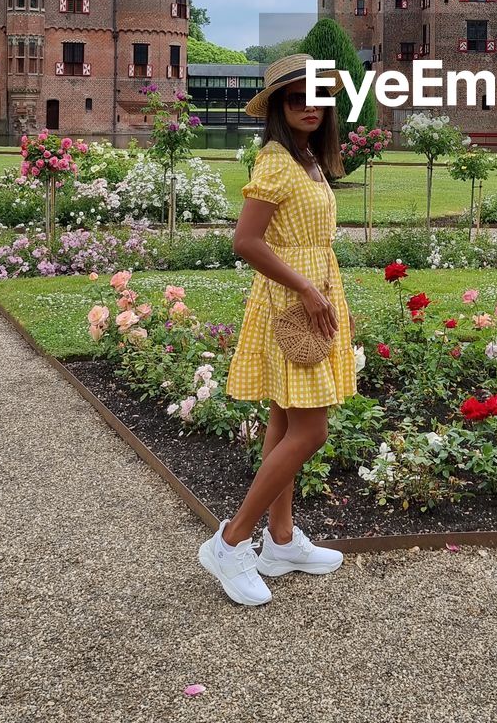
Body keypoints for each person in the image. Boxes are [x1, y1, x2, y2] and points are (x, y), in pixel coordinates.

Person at [197, 54, 358, 606]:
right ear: (277, 108)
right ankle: (230, 540)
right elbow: (246, 241)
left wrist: (329, 294)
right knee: (311, 433)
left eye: (318, 97)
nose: (310, 107)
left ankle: (282, 541)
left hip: (311, 297)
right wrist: (310, 291)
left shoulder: (308, 159)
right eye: (297, 99)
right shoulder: (274, 161)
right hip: (293, 302)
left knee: (285, 419)